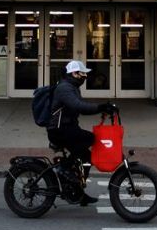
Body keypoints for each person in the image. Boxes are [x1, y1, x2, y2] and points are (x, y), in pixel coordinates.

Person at [47, 60, 115, 206]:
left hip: (68, 128)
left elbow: (80, 109)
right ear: (74, 73)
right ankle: (63, 167)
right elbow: (78, 106)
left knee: (86, 157)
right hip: (59, 130)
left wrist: (102, 109)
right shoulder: (65, 88)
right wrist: (101, 107)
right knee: (89, 138)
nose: (85, 76)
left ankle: (78, 192)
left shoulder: (72, 87)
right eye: (82, 73)